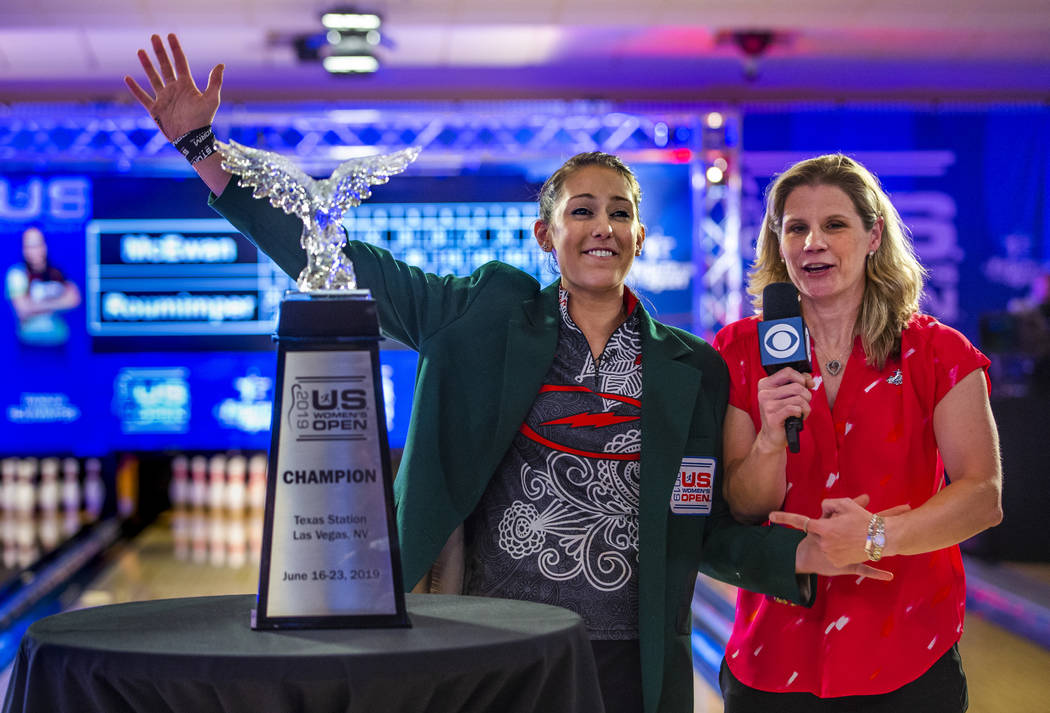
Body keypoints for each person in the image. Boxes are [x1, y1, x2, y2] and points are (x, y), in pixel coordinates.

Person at [126, 35, 890, 713]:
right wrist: (202, 147)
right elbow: (338, 263)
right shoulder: (480, 314)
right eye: (583, 211)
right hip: (493, 648)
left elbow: (705, 529)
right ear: (545, 233)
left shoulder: (691, 367)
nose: (604, 227)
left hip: (631, 661)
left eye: (620, 213)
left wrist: (797, 556)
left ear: (639, 235)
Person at [713, 153, 1003, 712]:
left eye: (835, 225)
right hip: (774, 655)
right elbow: (743, 508)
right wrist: (772, 438)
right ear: (778, 242)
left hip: (908, 651)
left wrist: (875, 538)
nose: (812, 242)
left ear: (873, 237)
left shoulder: (939, 352)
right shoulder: (739, 352)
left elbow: (983, 496)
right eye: (795, 227)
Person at [5, 225, 81, 346]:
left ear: (44, 246)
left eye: (37, 244)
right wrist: (58, 302)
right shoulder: (17, 274)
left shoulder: (56, 272)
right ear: (23, 249)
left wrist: (36, 304)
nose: (34, 250)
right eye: (29, 246)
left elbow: (74, 299)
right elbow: (23, 309)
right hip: (27, 345)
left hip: (59, 344)